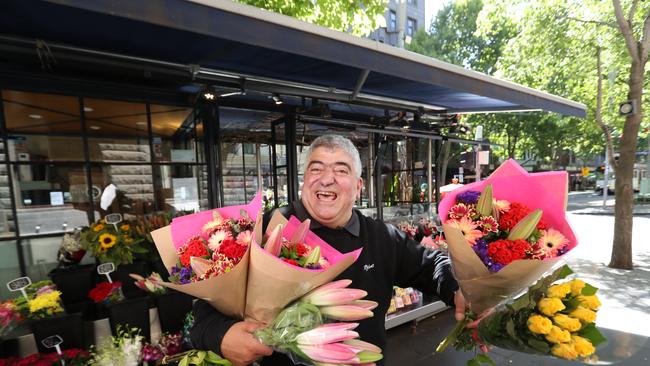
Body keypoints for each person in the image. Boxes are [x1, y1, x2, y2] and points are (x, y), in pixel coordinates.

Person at [190, 134, 465, 365]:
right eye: (316, 168)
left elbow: (432, 265)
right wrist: (221, 335)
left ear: (358, 186)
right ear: (304, 181)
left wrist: (458, 289)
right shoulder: (264, 232)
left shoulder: (380, 237)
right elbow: (206, 308)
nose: (326, 179)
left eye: (341, 170)